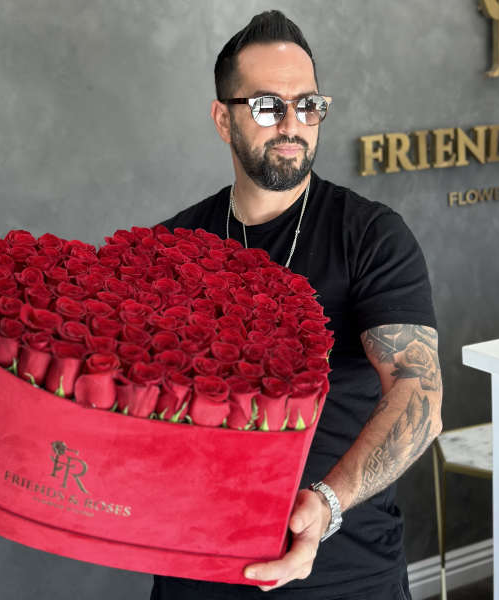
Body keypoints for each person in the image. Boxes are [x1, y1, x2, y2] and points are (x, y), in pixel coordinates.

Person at [151, 10, 442, 600]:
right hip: (196, 571)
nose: (292, 124)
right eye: (266, 106)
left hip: (343, 572)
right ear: (223, 119)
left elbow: (421, 398)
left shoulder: (370, 236)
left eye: (307, 105)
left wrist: (325, 505)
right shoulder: (172, 246)